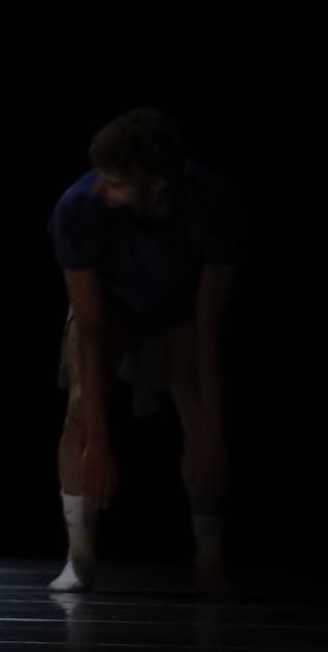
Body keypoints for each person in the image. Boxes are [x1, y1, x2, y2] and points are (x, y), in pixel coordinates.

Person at [48, 108, 235, 594]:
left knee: (197, 414)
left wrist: (211, 433)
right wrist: (101, 442)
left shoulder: (207, 201)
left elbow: (209, 324)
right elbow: (89, 326)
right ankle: (80, 553)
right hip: (108, 305)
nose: (99, 188)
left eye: (113, 181)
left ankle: (209, 556)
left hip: (179, 305)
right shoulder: (77, 209)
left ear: (154, 186)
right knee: (80, 417)